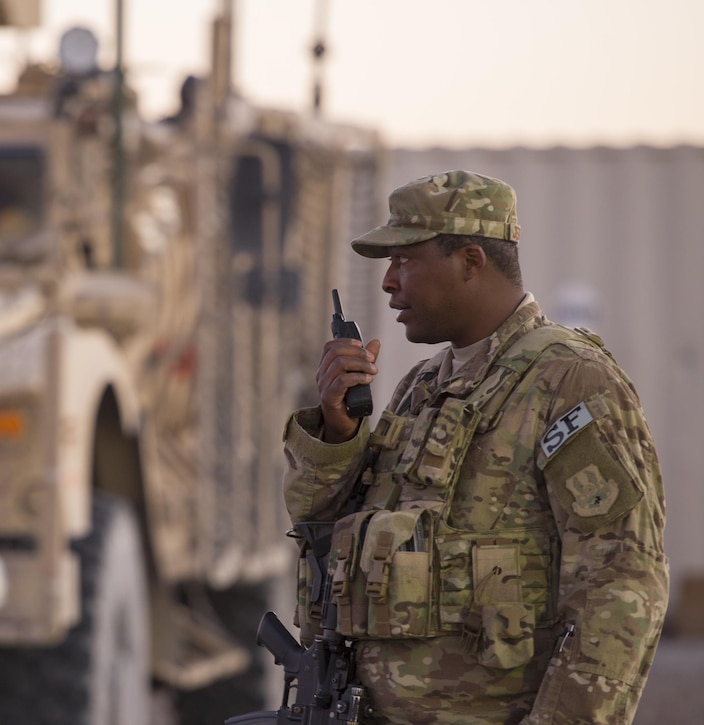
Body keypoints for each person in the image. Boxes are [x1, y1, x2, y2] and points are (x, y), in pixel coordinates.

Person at [282, 170, 668, 724]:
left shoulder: (569, 380)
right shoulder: (422, 387)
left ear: (470, 261)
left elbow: (622, 586)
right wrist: (338, 434)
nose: (388, 282)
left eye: (406, 260)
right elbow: (327, 538)